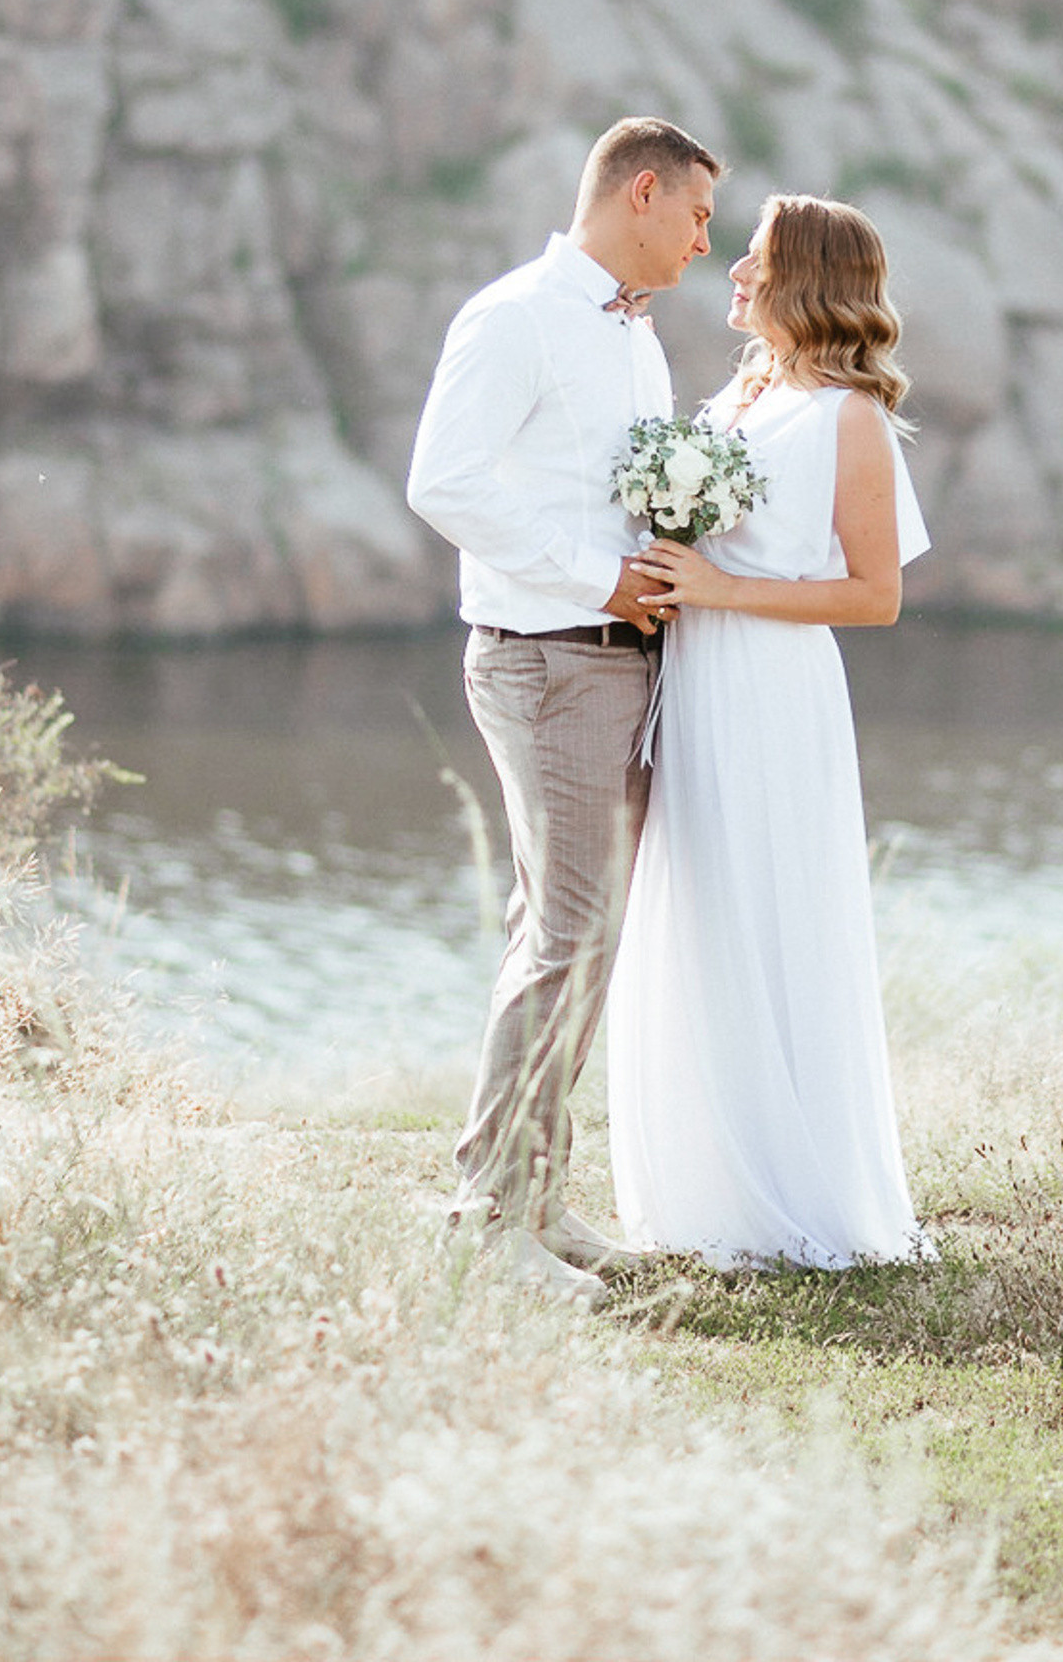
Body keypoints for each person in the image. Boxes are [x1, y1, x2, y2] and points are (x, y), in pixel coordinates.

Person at [405, 116, 722, 1303]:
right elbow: (442, 482)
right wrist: (598, 580)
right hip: (543, 661)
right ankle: (486, 1220)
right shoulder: (515, 316)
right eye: (696, 215)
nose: (704, 242)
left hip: (618, 664)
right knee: (569, 934)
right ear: (642, 191)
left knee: (569, 929)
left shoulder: (635, 339)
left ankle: (534, 1195)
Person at [609, 192, 932, 1268]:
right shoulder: (742, 395)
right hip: (698, 679)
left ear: (806, 280)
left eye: (754, 258)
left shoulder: (848, 417)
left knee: (768, 910)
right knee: (702, 910)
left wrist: (717, 590)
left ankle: (796, 1194)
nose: (736, 273)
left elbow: (875, 595)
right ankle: (705, 1185)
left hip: (773, 690)